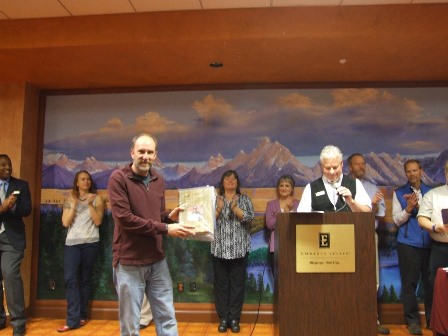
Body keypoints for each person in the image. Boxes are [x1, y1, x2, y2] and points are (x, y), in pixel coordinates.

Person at [107, 133, 196, 336]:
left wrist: (168, 217)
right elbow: (125, 219)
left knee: (167, 318)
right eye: (141, 151)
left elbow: (155, 216)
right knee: (130, 325)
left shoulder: (158, 180)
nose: (145, 156)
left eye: (149, 152)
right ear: (132, 153)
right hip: (129, 262)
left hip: (157, 261)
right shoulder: (118, 179)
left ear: (155, 155)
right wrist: (166, 228)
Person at [57, 170, 105, 332]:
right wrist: (75, 204)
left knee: (85, 279)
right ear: (76, 183)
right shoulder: (70, 200)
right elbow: (65, 222)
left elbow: (98, 221)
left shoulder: (97, 198)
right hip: (72, 244)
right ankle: (72, 320)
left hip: (90, 243)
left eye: (88, 179)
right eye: (83, 179)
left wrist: (90, 204)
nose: (86, 182)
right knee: (70, 279)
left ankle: (82, 315)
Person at [348, 153, 389, 335]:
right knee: (346, 276)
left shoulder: (372, 188)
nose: (361, 167)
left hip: (368, 235)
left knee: (372, 278)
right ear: (349, 167)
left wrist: (372, 206)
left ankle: (372, 318)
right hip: (345, 234)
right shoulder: (341, 187)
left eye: (363, 164)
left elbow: (379, 214)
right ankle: (346, 316)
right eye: (357, 164)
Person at [392, 159, 432, 336]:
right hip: (408, 244)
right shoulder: (399, 193)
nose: (412, 174)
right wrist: (408, 209)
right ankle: (413, 322)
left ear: (421, 171)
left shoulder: (432, 192)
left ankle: (433, 320)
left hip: (431, 243)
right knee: (409, 284)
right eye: (408, 171)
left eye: (415, 170)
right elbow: (396, 220)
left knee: (431, 284)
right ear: (405, 173)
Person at [213, 170, 254, 333]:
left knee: (237, 286)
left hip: (239, 250)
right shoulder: (215, 199)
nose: (230, 180)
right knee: (221, 286)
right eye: (227, 178)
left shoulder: (244, 199)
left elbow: (250, 218)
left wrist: (235, 209)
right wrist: (219, 209)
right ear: (222, 182)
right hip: (219, 249)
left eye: (233, 178)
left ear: (237, 183)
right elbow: (206, 221)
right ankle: (223, 319)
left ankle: (235, 319)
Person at [0, 154, 32, 336]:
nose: (7, 168)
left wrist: (12, 207)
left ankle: (18, 324)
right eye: (3, 166)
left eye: (9, 165)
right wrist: (2, 208)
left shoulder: (21, 185)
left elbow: (27, 209)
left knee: (10, 275)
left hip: (12, 239)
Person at [417, 159, 448, 331]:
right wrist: (435, 227)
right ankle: (436, 324)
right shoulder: (433, 195)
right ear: (446, 174)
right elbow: (422, 219)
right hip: (440, 248)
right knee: (436, 286)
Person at [297, 145, 371, 213]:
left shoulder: (355, 184)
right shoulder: (311, 188)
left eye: (335, 167)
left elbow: (367, 211)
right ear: (321, 166)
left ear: (341, 164)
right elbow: (301, 216)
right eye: (328, 168)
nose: (332, 172)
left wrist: (351, 202)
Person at [265, 174, 299, 275]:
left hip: (294, 246)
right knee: (278, 279)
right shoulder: (271, 204)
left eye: (287, 186)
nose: (284, 188)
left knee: (293, 279)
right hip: (276, 247)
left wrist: (281, 216)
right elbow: (269, 224)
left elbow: (299, 224)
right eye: (281, 185)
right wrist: (284, 214)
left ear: (292, 189)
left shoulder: (298, 204)